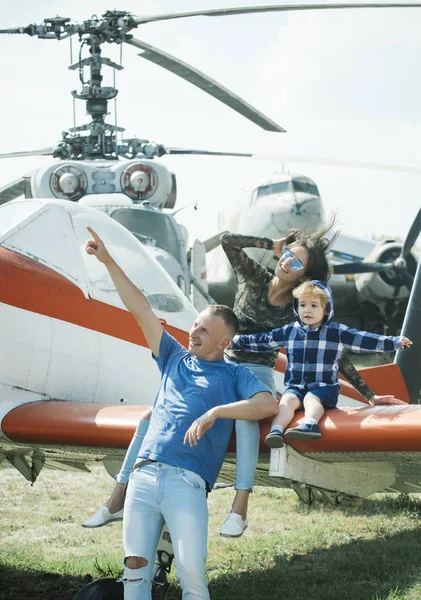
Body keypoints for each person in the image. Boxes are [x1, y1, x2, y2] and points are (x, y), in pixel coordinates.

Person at [83, 225, 402, 537]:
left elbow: (331, 351)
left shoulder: (298, 310)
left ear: (304, 276)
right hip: (223, 364)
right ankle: (118, 497)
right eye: (288, 253)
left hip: (257, 372)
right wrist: (272, 244)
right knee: (152, 415)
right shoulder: (254, 276)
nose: (286, 260)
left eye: (296, 261)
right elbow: (229, 241)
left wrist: (369, 395)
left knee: (246, 422)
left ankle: (240, 508)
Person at [84, 227, 278, 600]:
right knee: (135, 570)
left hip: (186, 482)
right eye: (195, 324)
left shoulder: (236, 374)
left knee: (192, 575)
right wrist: (107, 260)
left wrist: (215, 413)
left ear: (224, 342)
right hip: (144, 473)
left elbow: (267, 405)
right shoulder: (174, 355)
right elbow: (140, 307)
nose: (194, 331)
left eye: (204, 330)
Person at [231, 279, 412, 447]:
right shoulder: (290, 331)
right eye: (302, 305)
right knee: (286, 401)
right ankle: (276, 432)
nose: (307, 310)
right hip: (296, 387)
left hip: (324, 388)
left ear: (326, 310)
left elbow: (364, 340)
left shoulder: (336, 332)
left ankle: (310, 424)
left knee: (311, 398)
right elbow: (263, 340)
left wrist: (394, 342)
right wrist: (234, 341)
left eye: (313, 305)